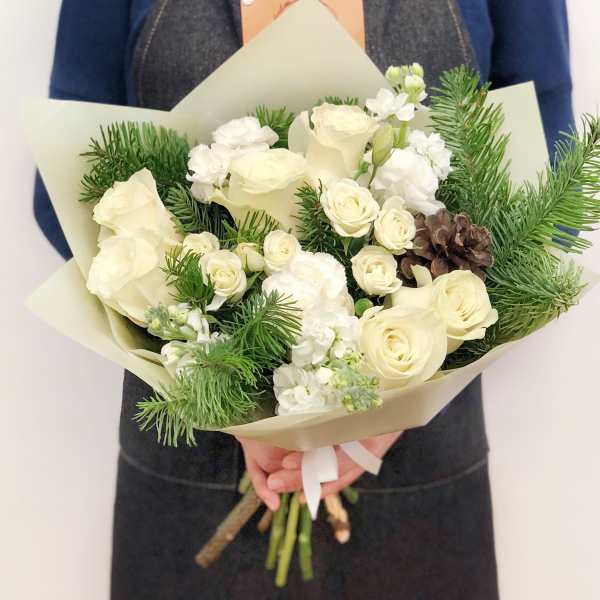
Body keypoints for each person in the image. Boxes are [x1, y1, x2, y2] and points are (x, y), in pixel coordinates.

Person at [34, 1, 574, 598]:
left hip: (420, 465)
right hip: (191, 456)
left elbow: (548, 178)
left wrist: (392, 400)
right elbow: (64, 179)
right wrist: (229, 386)